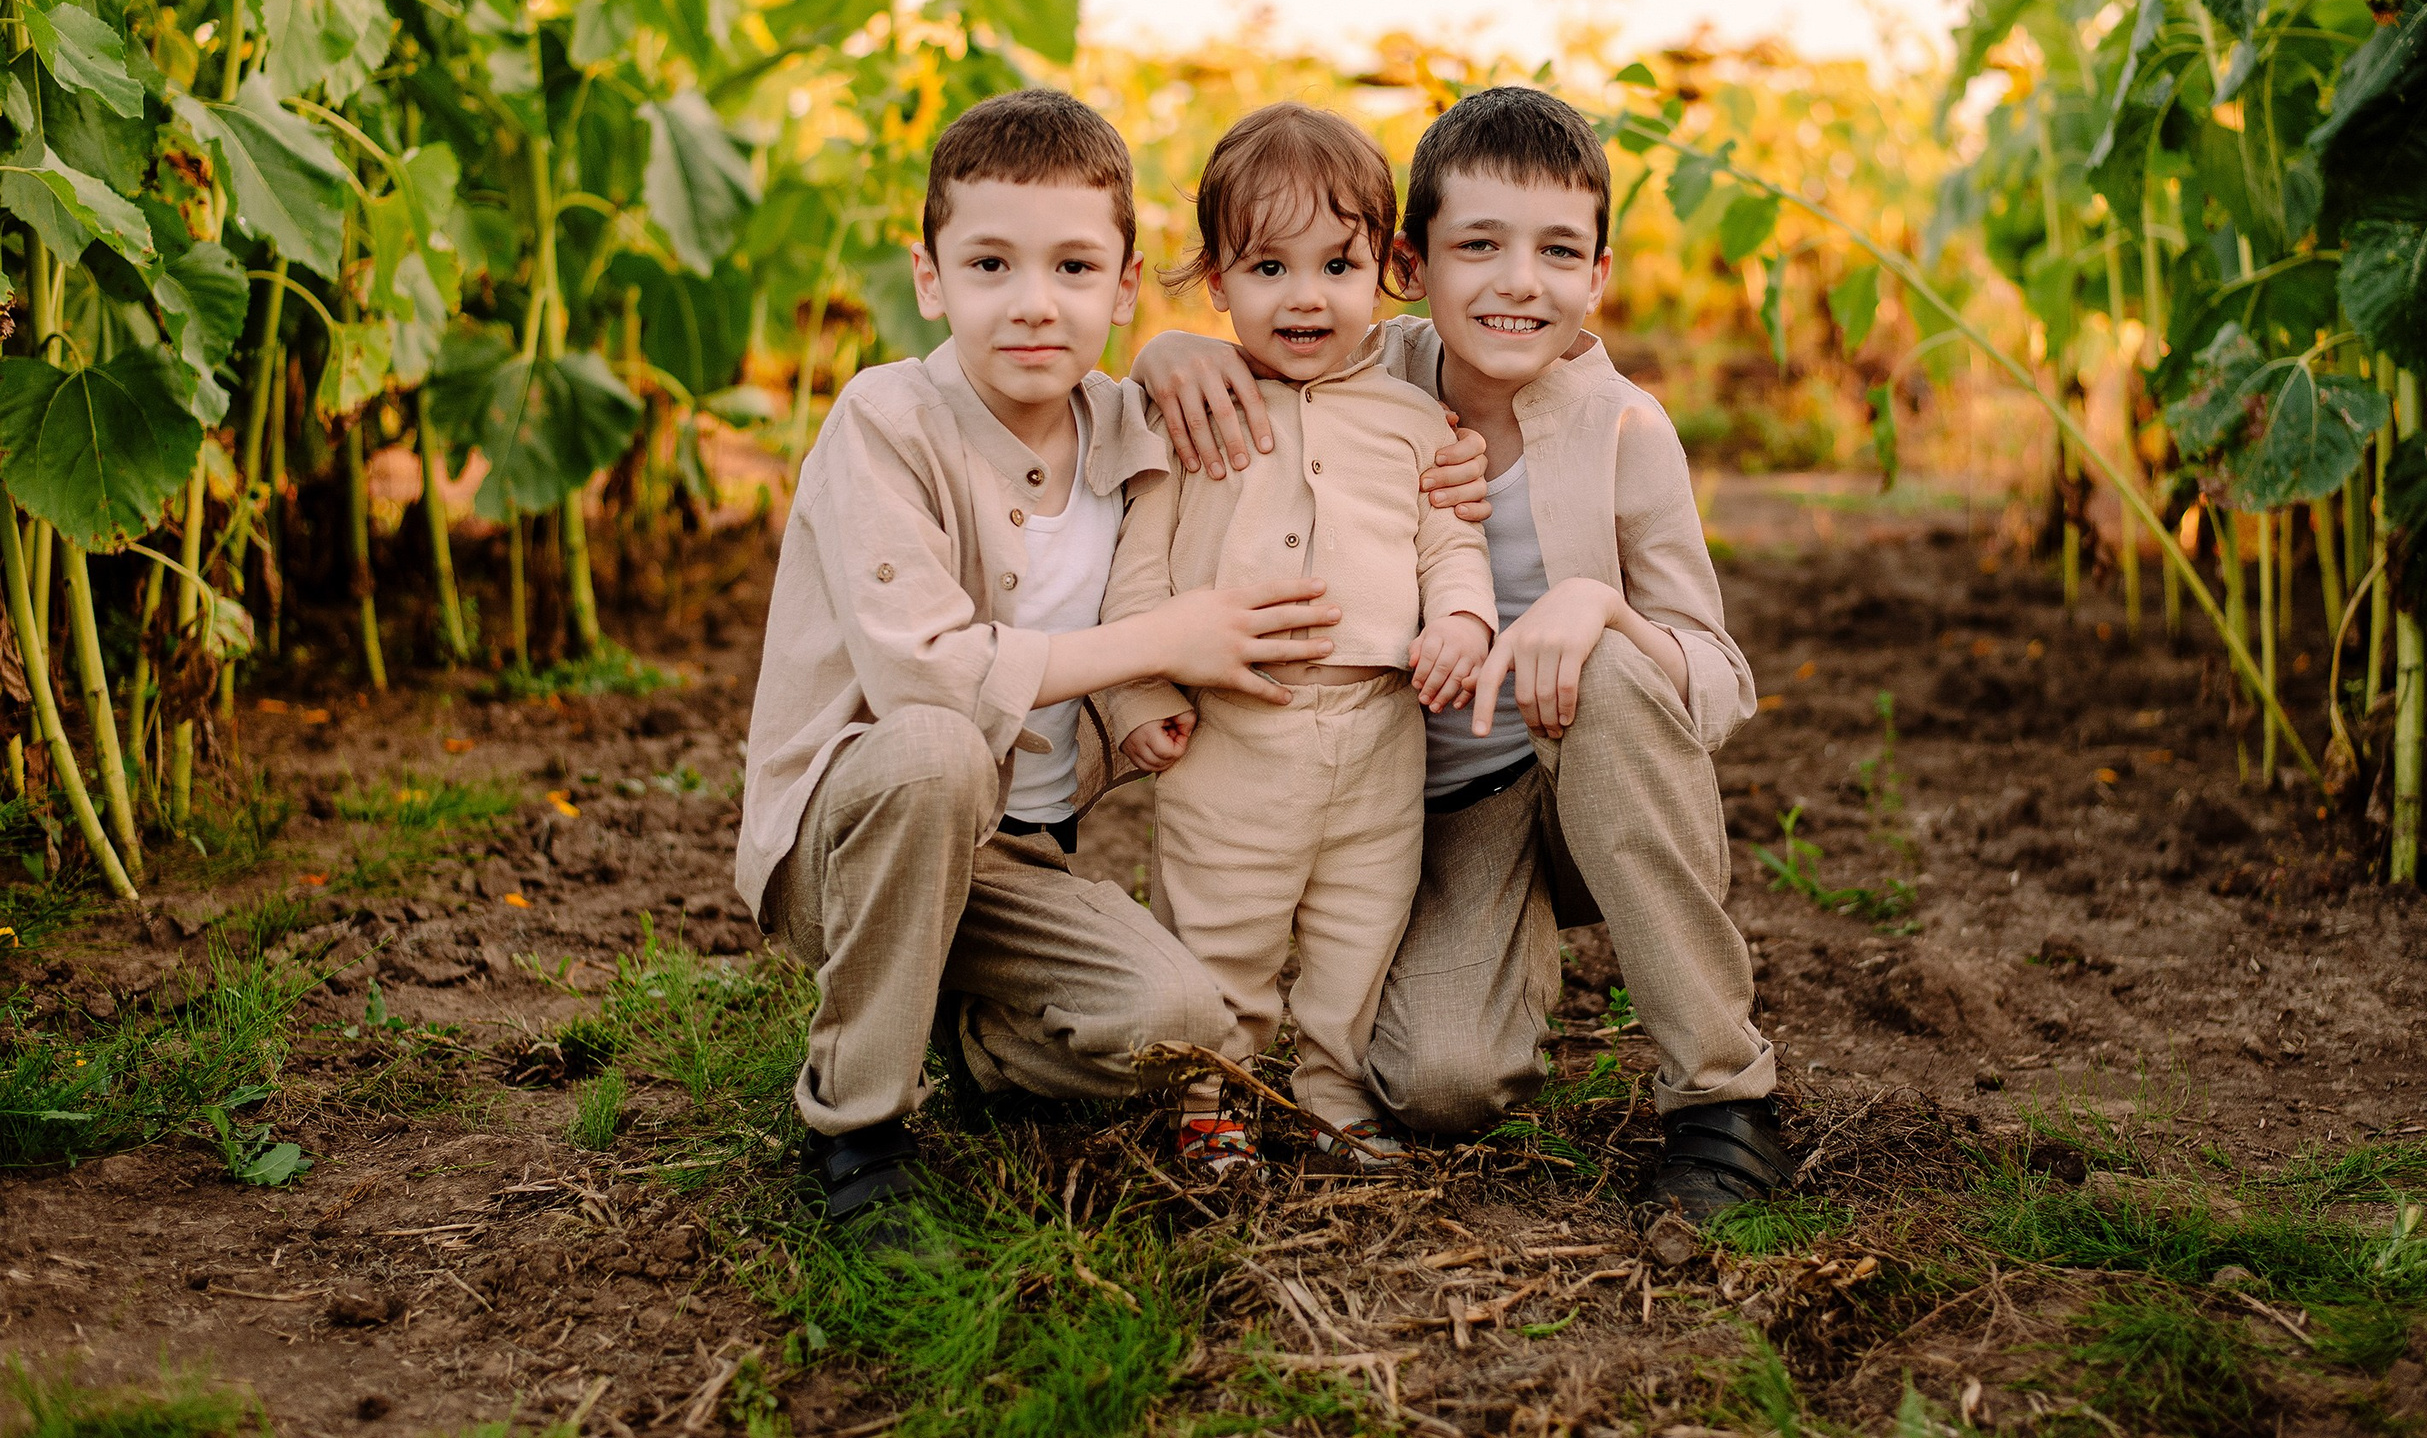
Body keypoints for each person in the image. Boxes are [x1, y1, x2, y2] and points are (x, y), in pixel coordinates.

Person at [733, 89, 1490, 1231]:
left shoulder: (1134, 420)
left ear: (1125, 283)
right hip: (863, 830)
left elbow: (1274, 387)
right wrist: (1162, 647)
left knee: (1181, 1023)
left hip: (1019, 861)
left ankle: (979, 1032)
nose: (1034, 304)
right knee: (937, 750)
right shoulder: (881, 421)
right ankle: (859, 1127)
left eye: (1075, 269)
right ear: (928, 278)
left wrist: (1189, 345)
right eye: (989, 266)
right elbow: (929, 675)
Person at [1130, 86, 1788, 1222]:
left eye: (1556, 250)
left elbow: (1720, 678)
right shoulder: (1360, 367)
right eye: (1477, 244)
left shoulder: (1626, 428)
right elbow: (1259, 319)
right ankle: (1461, 975)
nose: (1516, 281)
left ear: (1599, 272)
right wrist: (1169, 352)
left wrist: (1596, 606)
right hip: (1435, 803)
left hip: (1597, 766)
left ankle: (1723, 1094)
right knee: (1440, 1079)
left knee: (1616, 660)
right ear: (1409, 259)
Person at [1099, 105, 1497, 1179]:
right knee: (1221, 921)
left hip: (1377, 729)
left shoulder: (1414, 420)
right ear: (1218, 283)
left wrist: (1460, 617)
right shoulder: (1195, 414)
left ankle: (1327, 1087)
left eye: (1337, 263)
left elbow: (1449, 541)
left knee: (1355, 922)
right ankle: (1216, 1094)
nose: (1305, 294)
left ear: (1384, 270)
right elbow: (1137, 568)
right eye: (1268, 266)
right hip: (1234, 725)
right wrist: (1134, 699)